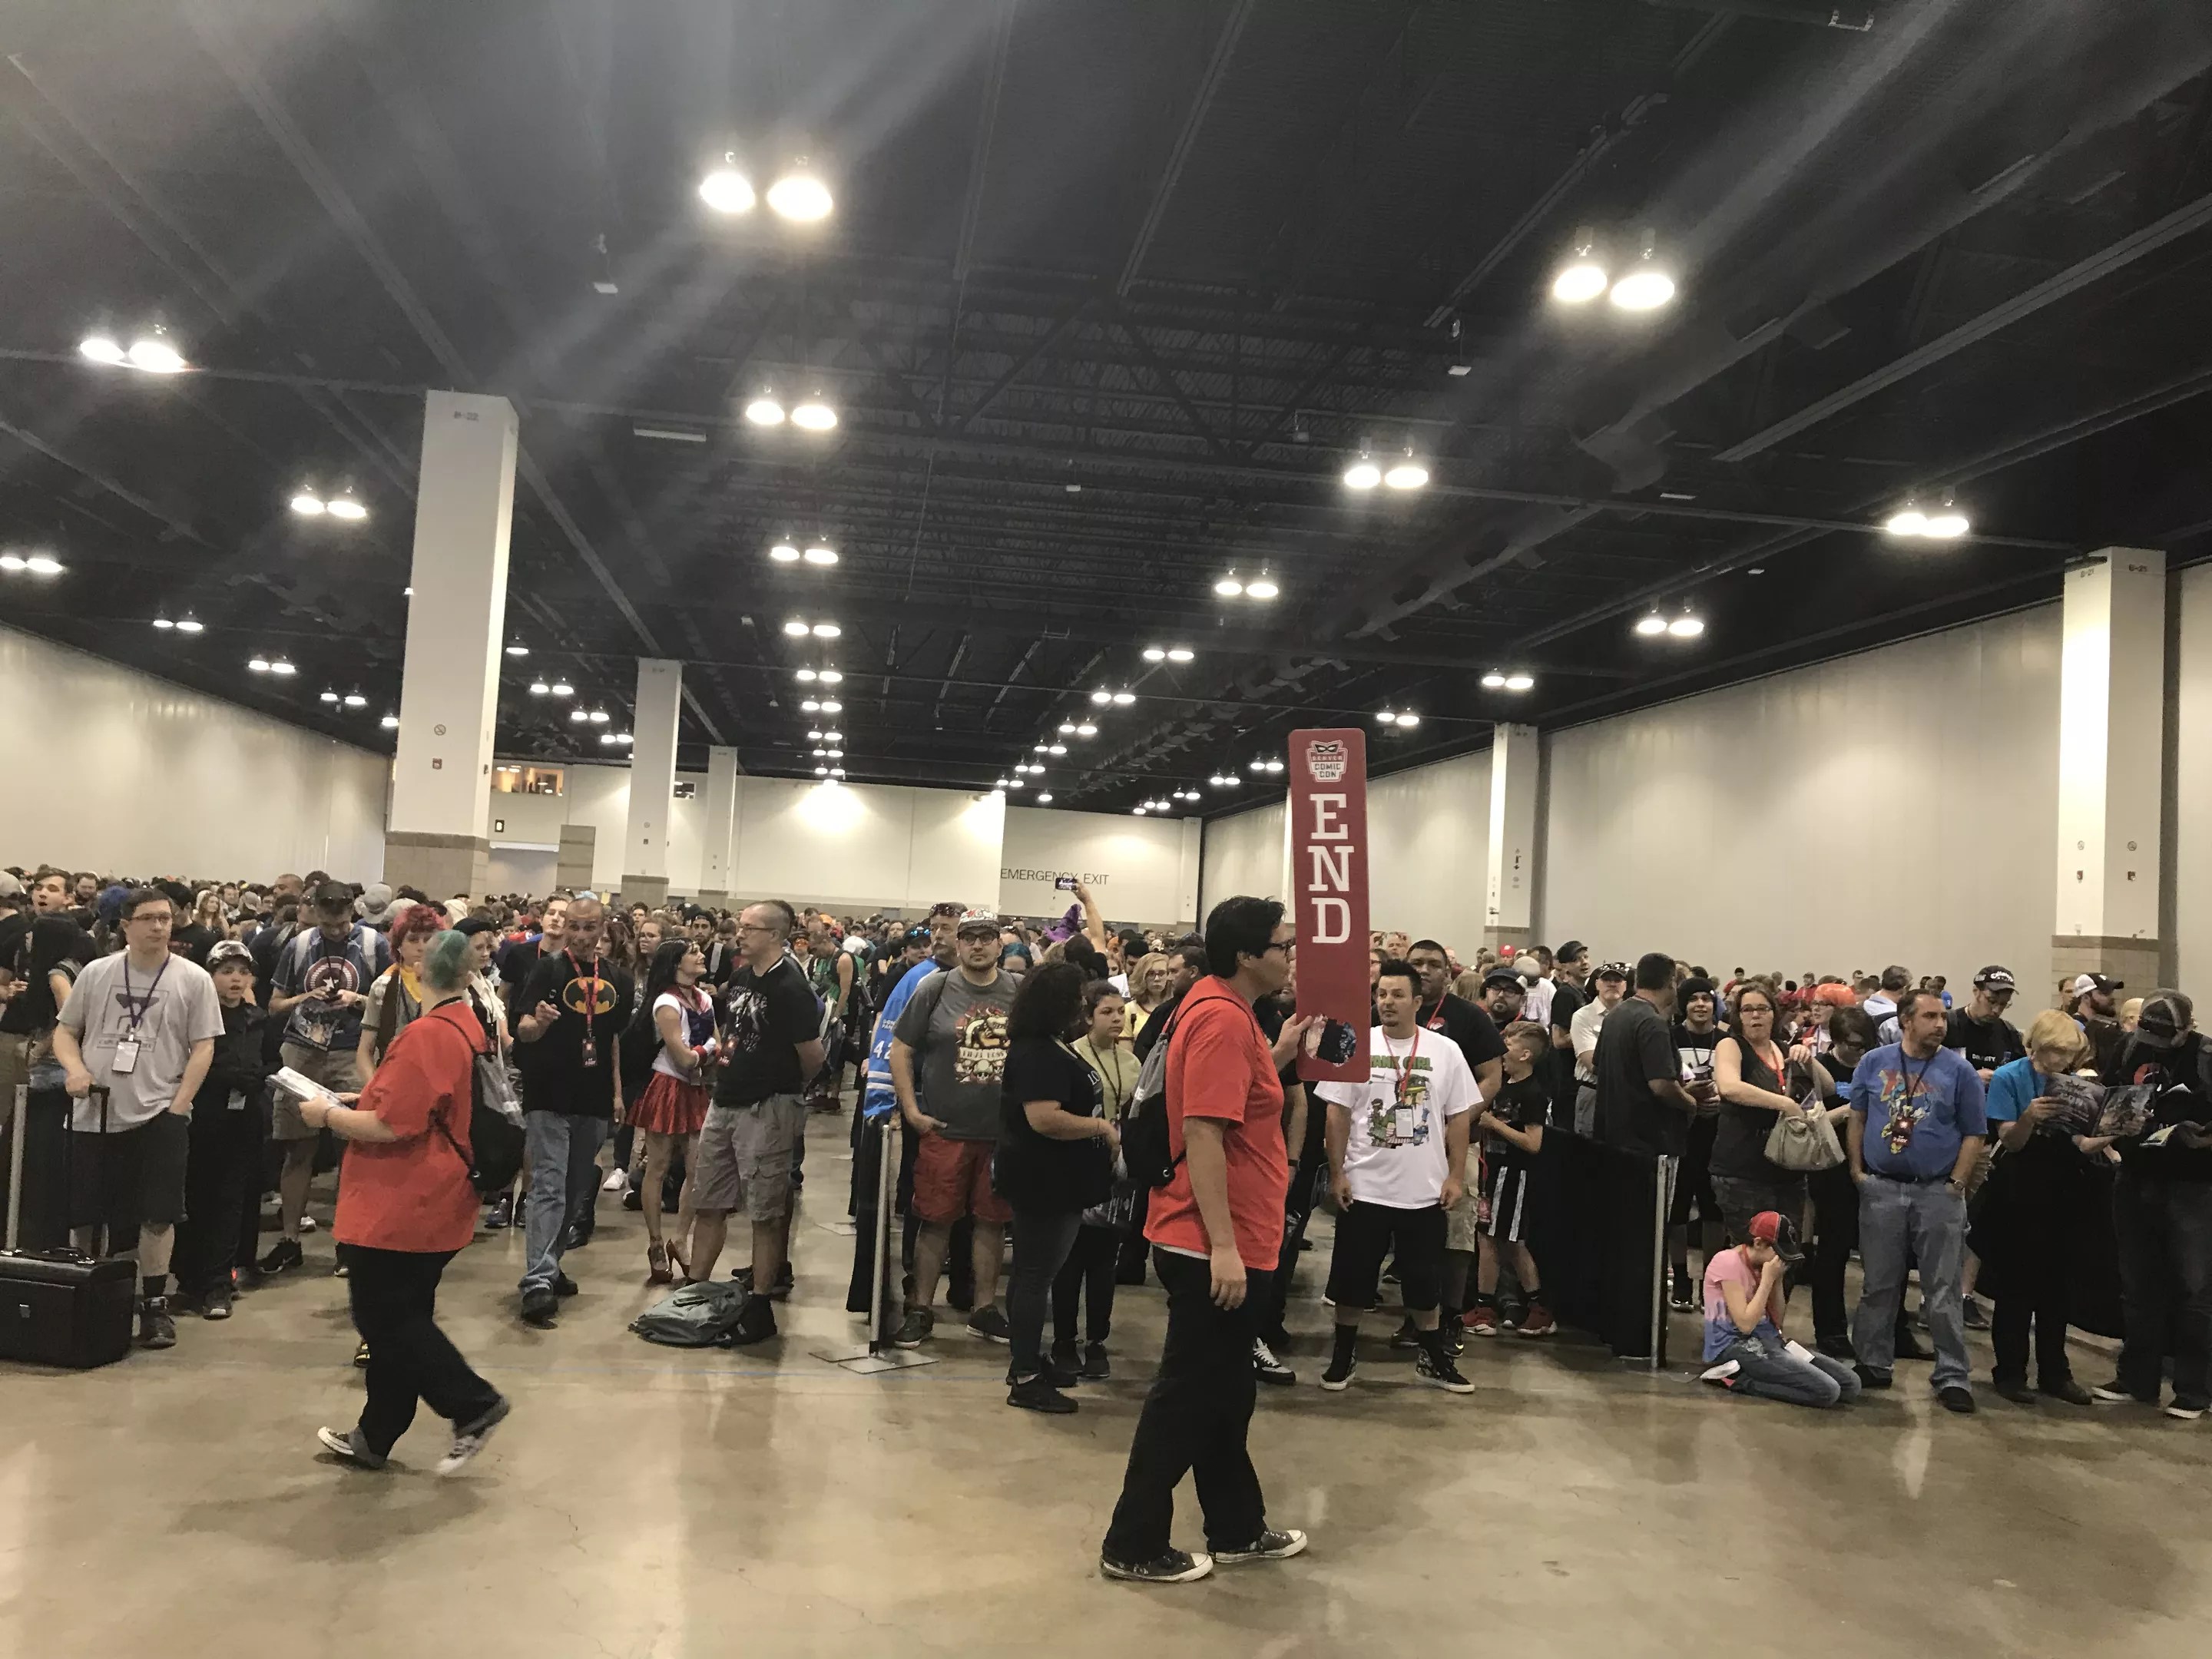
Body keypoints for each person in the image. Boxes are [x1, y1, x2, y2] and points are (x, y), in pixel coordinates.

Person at [1101, 896, 1309, 1586]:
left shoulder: (1223, 1007)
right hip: (1211, 1239)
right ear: (1247, 955)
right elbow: (1204, 1131)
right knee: (1188, 1396)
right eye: (1281, 945)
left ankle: (1237, 1527)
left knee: (1225, 1392)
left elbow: (1230, 1098)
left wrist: (1278, 1055)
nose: (1290, 955)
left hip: (1229, 1233)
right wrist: (1223, 1246)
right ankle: (1132, 1542)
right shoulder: (1220, 1018)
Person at [300, 929, 509, 1474]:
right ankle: (376, 1435)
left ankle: (472, 1404)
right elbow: (424, 1103)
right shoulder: (468, 1025)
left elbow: (391, 1126)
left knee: (384, 1317)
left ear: (418, 972)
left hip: (405, 1199)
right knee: (402, 1316)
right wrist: (363, 1098)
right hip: (440, 1196)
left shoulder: (427, 1034)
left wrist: (327, 1115)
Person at [51, 887, 224, 1350]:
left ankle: (154, 1305)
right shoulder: (98, 973)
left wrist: (180, 1105)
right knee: (86, 1213)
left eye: (165, 918)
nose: (159, 926)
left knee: (159, 1214)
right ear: (125, 926)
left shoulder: (192, 978)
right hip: (96, 1112)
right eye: (148, 918)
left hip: (160, 1111)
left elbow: (204, 1045)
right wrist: (76, 1069)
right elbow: (65, 1032)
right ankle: (84, 1294)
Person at [1315, 959, 1478, 1395]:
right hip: (1364, 1186)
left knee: (1425, 1283)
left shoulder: (1446, 1051)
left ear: (1417, 1002)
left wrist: (1455, 1176)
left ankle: (1433, 1357)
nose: (1387, 1002)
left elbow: (1460, 1117)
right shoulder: (1355, 1045)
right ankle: (1343, 1354)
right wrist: (1337, 1172)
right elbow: (1336, 1113)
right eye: (1382, 994)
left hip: (1423, 1189)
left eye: (1398, 995)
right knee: (1352, 1279)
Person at [1848, 987, 1988, 1412]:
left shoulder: (1960, 1071)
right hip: (1882, 1188)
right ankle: (1873, 1362)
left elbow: (1975, 1133)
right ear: (1906, 1021)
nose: (1940, 1024)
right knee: (1879, 1285)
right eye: (1930, 1017)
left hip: (1937, 1192)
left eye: (1942, 1017)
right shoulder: (1874, 1063)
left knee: (1943, 1289)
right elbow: (1858, 1116)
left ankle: (1952, 1375)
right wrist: (1857, 1171)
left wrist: (1957, 1183)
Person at [694, 899, 824, 1342]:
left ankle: (761, 1302)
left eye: (750, 928)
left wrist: (785, 1088)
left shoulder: (791, 987)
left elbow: (813, 1056)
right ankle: (694, 1291)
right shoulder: (741, 977)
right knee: (709, 1200)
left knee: (764, 1210)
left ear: (775, 936)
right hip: (726, 1099)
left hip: (767, 1106)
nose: (740, 934)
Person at [993, 962, 1120, 1413]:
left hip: (1057, 1178)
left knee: (1033, 1273)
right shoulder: (1038, 1053)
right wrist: (1099, 1127)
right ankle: (1025, 1375)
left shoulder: (1050, 1044)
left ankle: (1027, 1358)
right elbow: (1044, 1118)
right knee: (1035, 1276)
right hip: (1043, 1180)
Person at [890, 908, 1020, 1347]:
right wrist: (911, 1110)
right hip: (945, 1130)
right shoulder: (936, 987)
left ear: (1000, 943)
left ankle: (984, 1309)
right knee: (934, 1221)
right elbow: (901, 1049)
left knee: (991, 1223)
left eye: (986, 937)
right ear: (958, 943)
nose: (978, 945)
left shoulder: (1018, 990)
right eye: (970, 938)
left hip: (999, 1134)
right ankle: (920, 1308)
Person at [2091, 991, 2212, 1419]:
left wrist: (2198, 1137)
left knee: (2194, 1289)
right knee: (2138, 1285)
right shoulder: (2129, 1047)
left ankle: (2194, 1390)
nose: (2155, 1045)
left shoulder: (2206, 1057)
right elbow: (2107, 1096)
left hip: (2192, 1184)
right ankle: (2136, 1379)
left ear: (2187, 1028)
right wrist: (2119, 1121)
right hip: (2135, 1174)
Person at [512, 893, 631, 1327]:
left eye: (589, 927)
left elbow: (612, 1040)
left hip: (593, 1098)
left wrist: (617, 1093)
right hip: (548, 1094)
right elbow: (522, 1029)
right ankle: (537, 1281)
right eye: (574, 927)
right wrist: (539, 1023)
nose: (580, 936)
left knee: (577, 1187)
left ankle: (551, 1262)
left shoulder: (619, 979)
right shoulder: (547, 970)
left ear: (603, 928)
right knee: (549, 1185)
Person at [260, 882, 390, 1275]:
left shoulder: (373, 945)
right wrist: (306, 997)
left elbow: (391, 1001)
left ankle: (349, 1243)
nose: (336, 927)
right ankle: (290, 1240)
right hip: (303, 1050)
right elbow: (275, 1004)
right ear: (315, 910)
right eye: (328, 920)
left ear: (353, 911)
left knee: (352, 1151)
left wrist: (357, 1000)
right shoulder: (300, 946)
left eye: (342, 920)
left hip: (352, 1052)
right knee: (297, 1148)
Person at [1975, 1011, 2098, 1406]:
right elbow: (2009, 1141)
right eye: (2055, 1052)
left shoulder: (2075, 1084)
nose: (2062, 1061)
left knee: (2057, 1288)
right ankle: (2010, 1372)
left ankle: (2055, 1372)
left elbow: (2081, 1143)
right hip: (2020, 1189)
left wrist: (2112, 1130)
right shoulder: (2009, 1077)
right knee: (2016, 1287)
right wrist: (2029, 1116)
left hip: (2063, 1188)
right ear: (2037, 1046)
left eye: (2069, 1054)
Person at [169, 940, 272, 1322]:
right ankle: (189, 1278)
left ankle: (218, 1281)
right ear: (210, 976)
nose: (236, 979)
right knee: (194, 1197)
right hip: (201, 1117)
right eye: (227, 972)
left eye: (243, 972)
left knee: (231, 1201)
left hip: (243, 1122)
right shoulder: (195, 1015)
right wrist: (223, 1076)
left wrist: (257, 1077)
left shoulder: (258, 1018)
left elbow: (273, 1060)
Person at [1710, 982, 1832, 1244]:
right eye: (1748, 1009)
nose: (1756, 1015)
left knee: (1786, 1251)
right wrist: (1784, 1104)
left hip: (1787, 1170)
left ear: (1774, 1014)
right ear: (1738, 1015)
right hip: (1743, 1171)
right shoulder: (1731, 1045)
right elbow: (1729, 1087)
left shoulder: (1783, 1048)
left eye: (1762, 1009)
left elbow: (1829, 1087)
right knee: (1754, 1252)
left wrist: (1808, 1059)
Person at [1699, 1212, 1861, 1409]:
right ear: (1758, 1243)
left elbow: (1778, 1321)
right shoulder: (1727, 1262)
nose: (1782, 1260)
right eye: (1779, 1253)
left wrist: (1776, 1282)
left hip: (1771, 1341)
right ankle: (1736, 1380)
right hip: (1735, 1347)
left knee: (1850, 1385)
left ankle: (1771, 1374)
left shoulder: (1766, 1267)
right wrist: (1767, 1281)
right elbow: (1745, 1325)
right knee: (1827, 1392)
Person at [1056, 980, 1134, 1379]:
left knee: (1103, 1265)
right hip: (1075, 1168)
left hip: (1115, 1173)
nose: (1117, 1019)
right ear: (1088, 1017)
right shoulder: (1070, 1056)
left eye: (1121, 1012)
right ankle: (1064, 1340)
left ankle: (1097, 1340)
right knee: (1069, 1262)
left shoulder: (1132, 1063)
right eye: (1107, 1012)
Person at [631, 936, 716, 1284]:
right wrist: (708, 1050)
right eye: (693, 952)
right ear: (676, 962)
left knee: (698, 1169)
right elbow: (683, 1057)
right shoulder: (666, 1002)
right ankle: (655, 1242)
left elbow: (715, 1045)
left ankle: (680, 1238)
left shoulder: (704, 998)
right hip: (667, 1085)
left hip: (696, 1089)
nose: (701, 955)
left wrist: (705, 1052)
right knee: (658, 1167)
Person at [1465, 1021, 1555, 1339]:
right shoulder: (1501, 1086)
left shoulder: (1532, 1094)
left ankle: (1538, 1308)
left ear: (1526, 1054)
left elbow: (1533, 1143)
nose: (1501, 1050)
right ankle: (1485, 1306)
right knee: (1487, 1238)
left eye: (1508, 1044)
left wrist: (1495, 1125)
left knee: (1511, 1242)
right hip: (1491, 1171)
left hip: (1513, 1175)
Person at [1594, 953, 1695, 1159]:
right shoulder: (1652, 1022)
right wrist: (1689, 1102)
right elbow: (1661, 1086)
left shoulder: (1615, 1015)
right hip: (1645, 1143)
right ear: (1672, 982)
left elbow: (1598, 1066)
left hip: (1612, 1135)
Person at [1667, 976, 1724, 1310]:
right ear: (1683, 1004)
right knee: (1676, 1210)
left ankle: (1711, 1280)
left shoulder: (1727, 1041)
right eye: (1693, 998)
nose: (1700, 1004)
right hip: (1681, 1133)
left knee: (1713, 1211)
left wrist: (1721, 1101)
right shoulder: (1670, 1037)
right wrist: (1688, 1097)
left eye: (1706, 998)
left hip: (1717, 1135)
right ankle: (1680, 1277)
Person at [1404, 938, 1505, 1101]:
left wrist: (1463, 1114)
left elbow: (1491, 1079)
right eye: (1417, 963)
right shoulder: (1383, 1011)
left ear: (1447, 974)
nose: (1424, 970)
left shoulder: (1472, 1016)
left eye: (1434, 965)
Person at [1568, 959, 1626, 1136]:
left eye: (1617, 980)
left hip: (1626, 1094)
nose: (1612, 984)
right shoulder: (1582, 1016)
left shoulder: (1633, 1016)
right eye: (1607, 979)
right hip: (1594, 1092)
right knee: (1590, 1145)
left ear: (1625, 986)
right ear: (1597, 984)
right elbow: (1592, 1064)